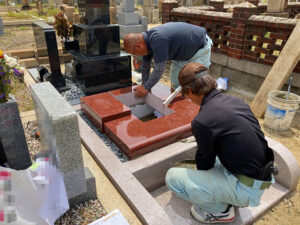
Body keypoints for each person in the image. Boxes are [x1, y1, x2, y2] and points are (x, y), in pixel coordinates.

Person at [165, 62, 275, 224]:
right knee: (216, 159)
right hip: (261, 176)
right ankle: (227, 193)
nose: (187, 98)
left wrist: (197, 180)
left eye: (185, 95)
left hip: (246, 189)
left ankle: (221, 211)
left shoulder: (202, 121)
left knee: (173, 177)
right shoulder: (237, 102)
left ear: (189, 91)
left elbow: (205, 163)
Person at [123, 22, 213, 97]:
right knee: (175, 84)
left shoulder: (158, 39)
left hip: (198, 48)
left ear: (138, 46)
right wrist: (145, 85)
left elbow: (159, 70)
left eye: (133, 52)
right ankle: (179, 108)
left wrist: (146, 87)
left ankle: (199, 111)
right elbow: (146, 66)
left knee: (198, 86)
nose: (134, 55)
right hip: (182, 54)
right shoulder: (146, 43)